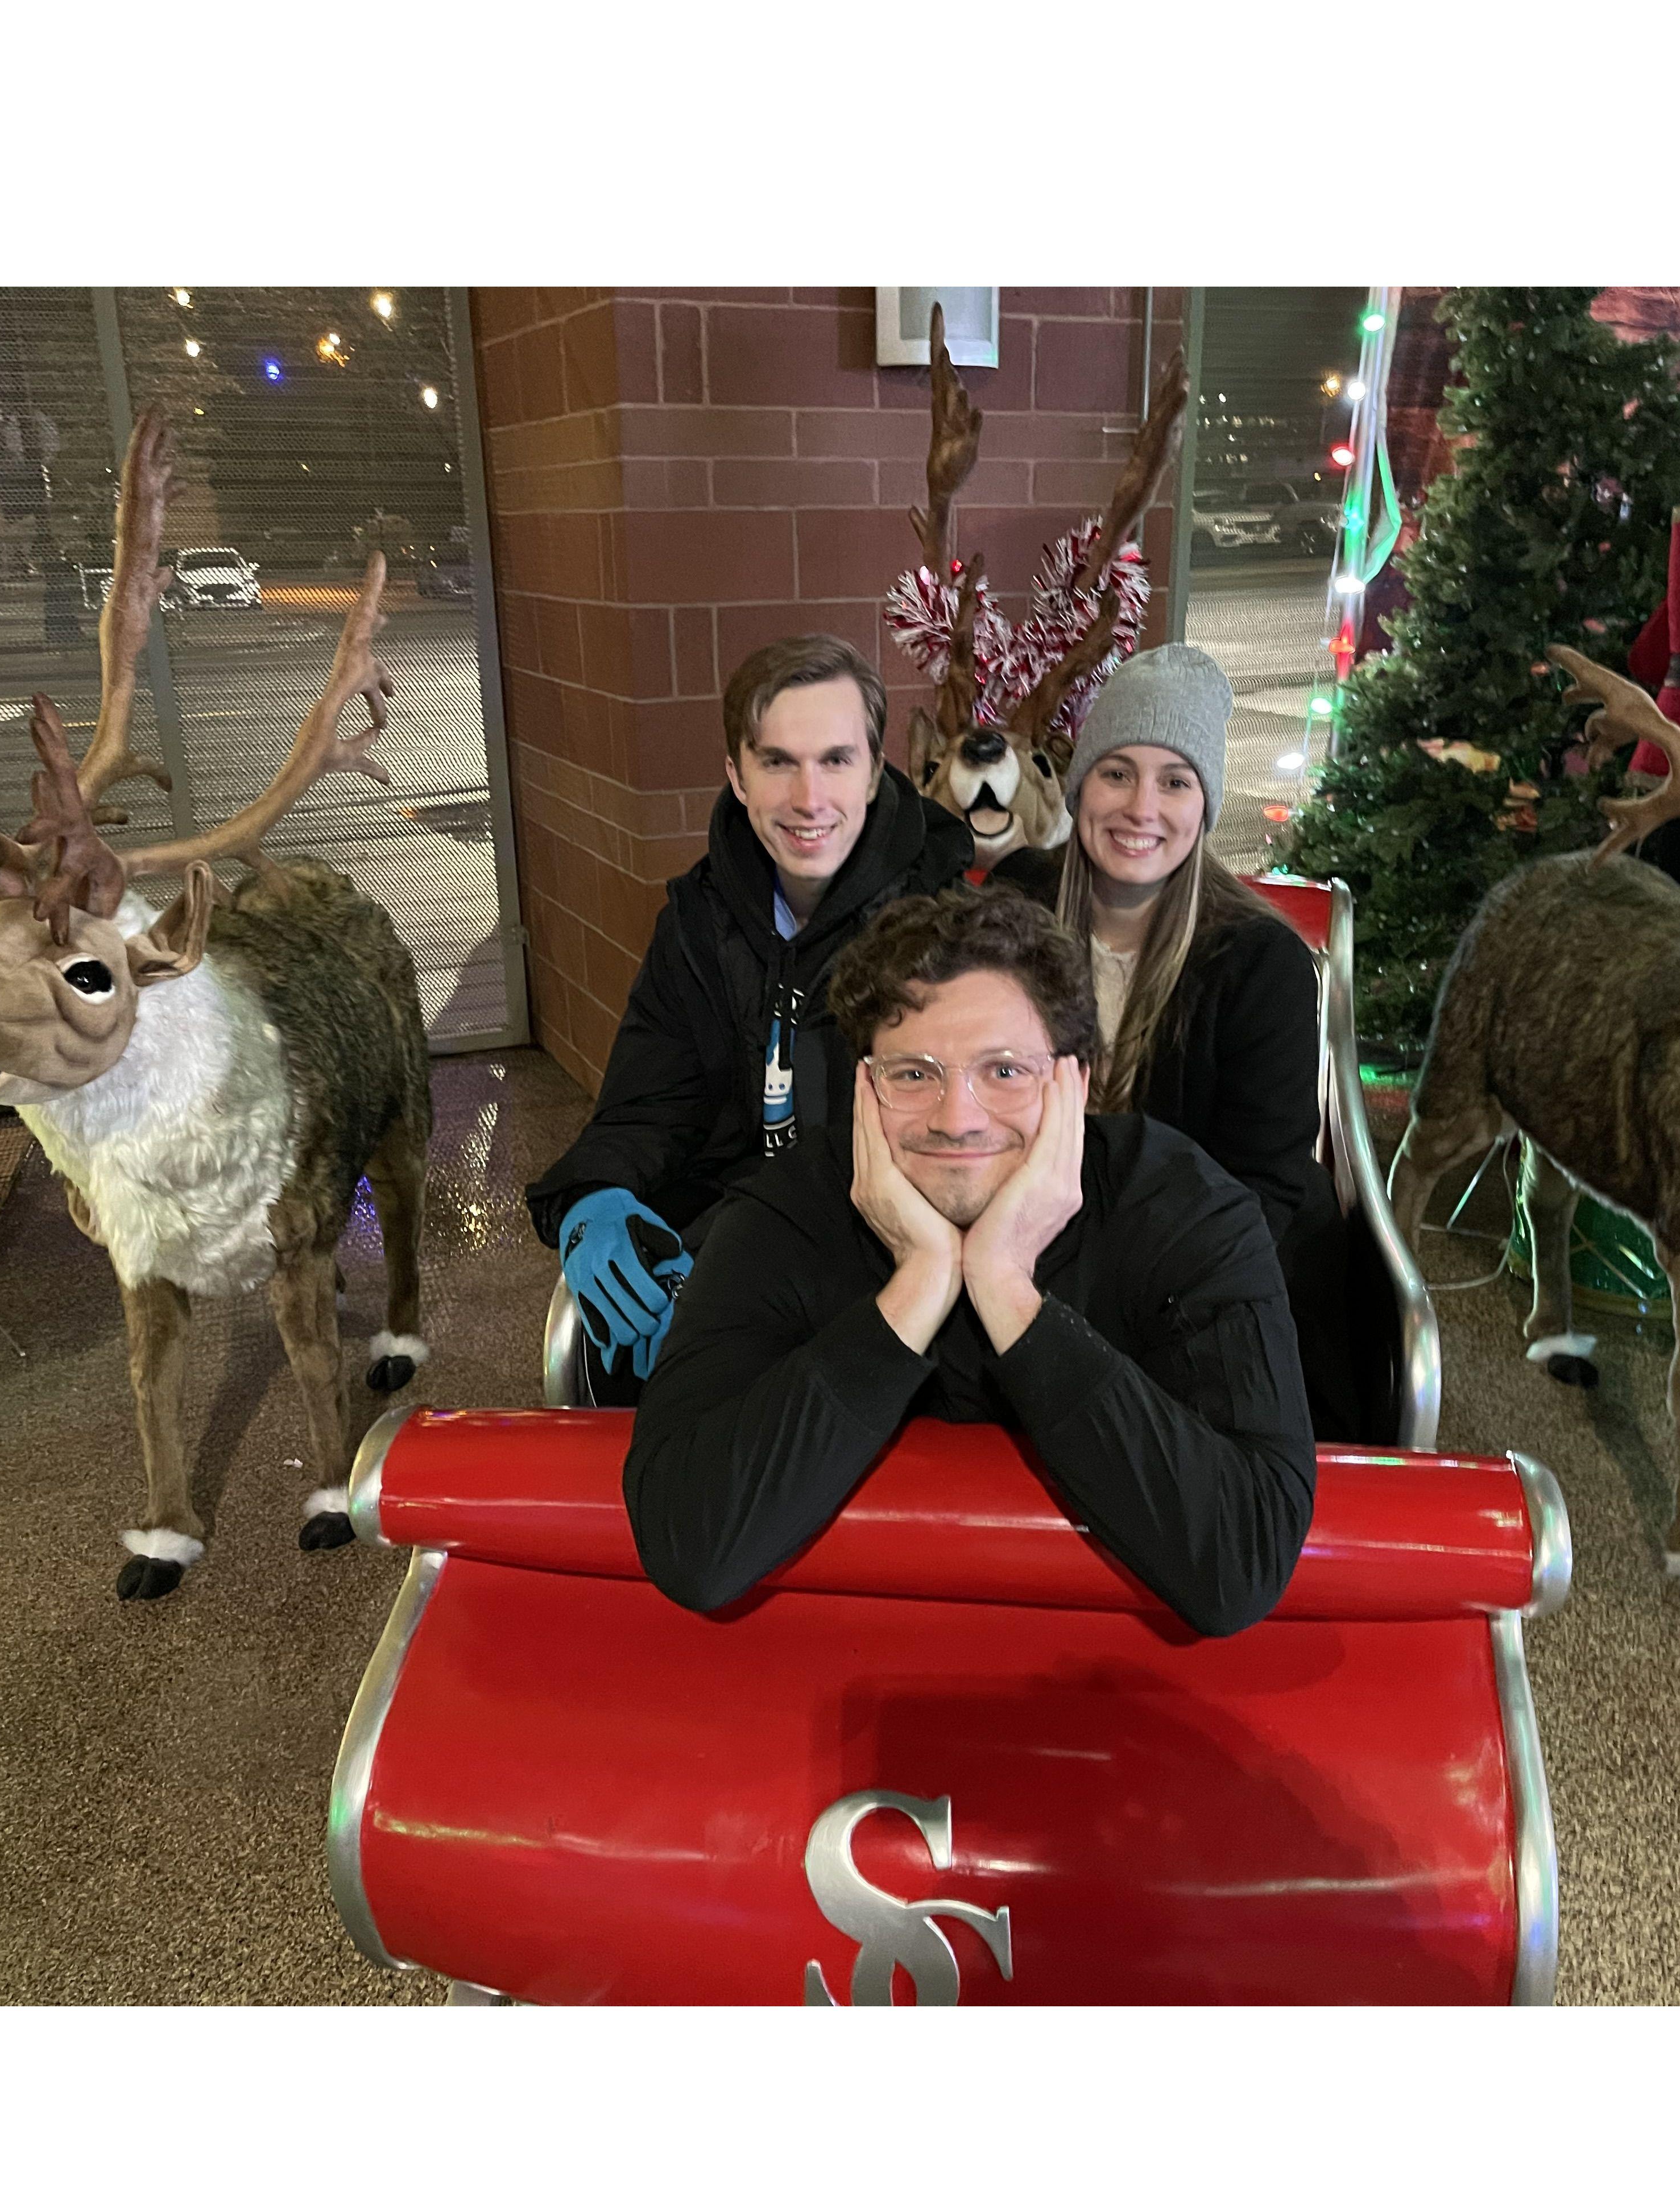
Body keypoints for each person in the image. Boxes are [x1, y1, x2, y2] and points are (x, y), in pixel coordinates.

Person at [622, 885, 1316, 1637]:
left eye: (1005, 1072)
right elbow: (690, 1546)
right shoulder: (786, 1212)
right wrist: (916, 1287)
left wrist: (1008, 1290)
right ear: (865, 1085)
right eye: (913, 1074)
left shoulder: (1184, 1208)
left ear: (1075, 1083)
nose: (957, 1120)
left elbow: (1242, 1561)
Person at [526, 635, 974, 1393]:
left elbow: (950, 1164)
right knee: (618, 1360)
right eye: (777, 762)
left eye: (836, 760)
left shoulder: (946, 926)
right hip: (728, 1245)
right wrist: (590, 1198)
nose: (809, 799)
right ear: (736, 774)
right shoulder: (700, 922)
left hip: (887, 1273)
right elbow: (650, 1105)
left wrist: (754, 1272)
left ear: (873, 773)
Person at [991, 641, 1360, 1434]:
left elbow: (1258, 1194)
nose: (1141, 809)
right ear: (1083, 780)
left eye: (1175, 781)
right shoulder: (1015, 904)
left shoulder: (1261, 965)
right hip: (1021, 1246)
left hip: (1197, 1280)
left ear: (1205, 802)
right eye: (1118, 771)